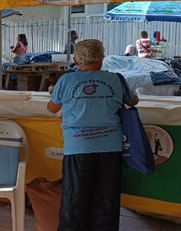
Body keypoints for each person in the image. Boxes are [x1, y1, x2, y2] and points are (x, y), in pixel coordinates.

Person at [47, 39, 139, 231]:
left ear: (76, 60)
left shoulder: (66, 80)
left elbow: (52, 108)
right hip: (110, 148)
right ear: (102, 58)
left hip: (78, 148)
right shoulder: (116, 79)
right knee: (106, 201)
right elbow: (133, 101)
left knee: (74, 200)